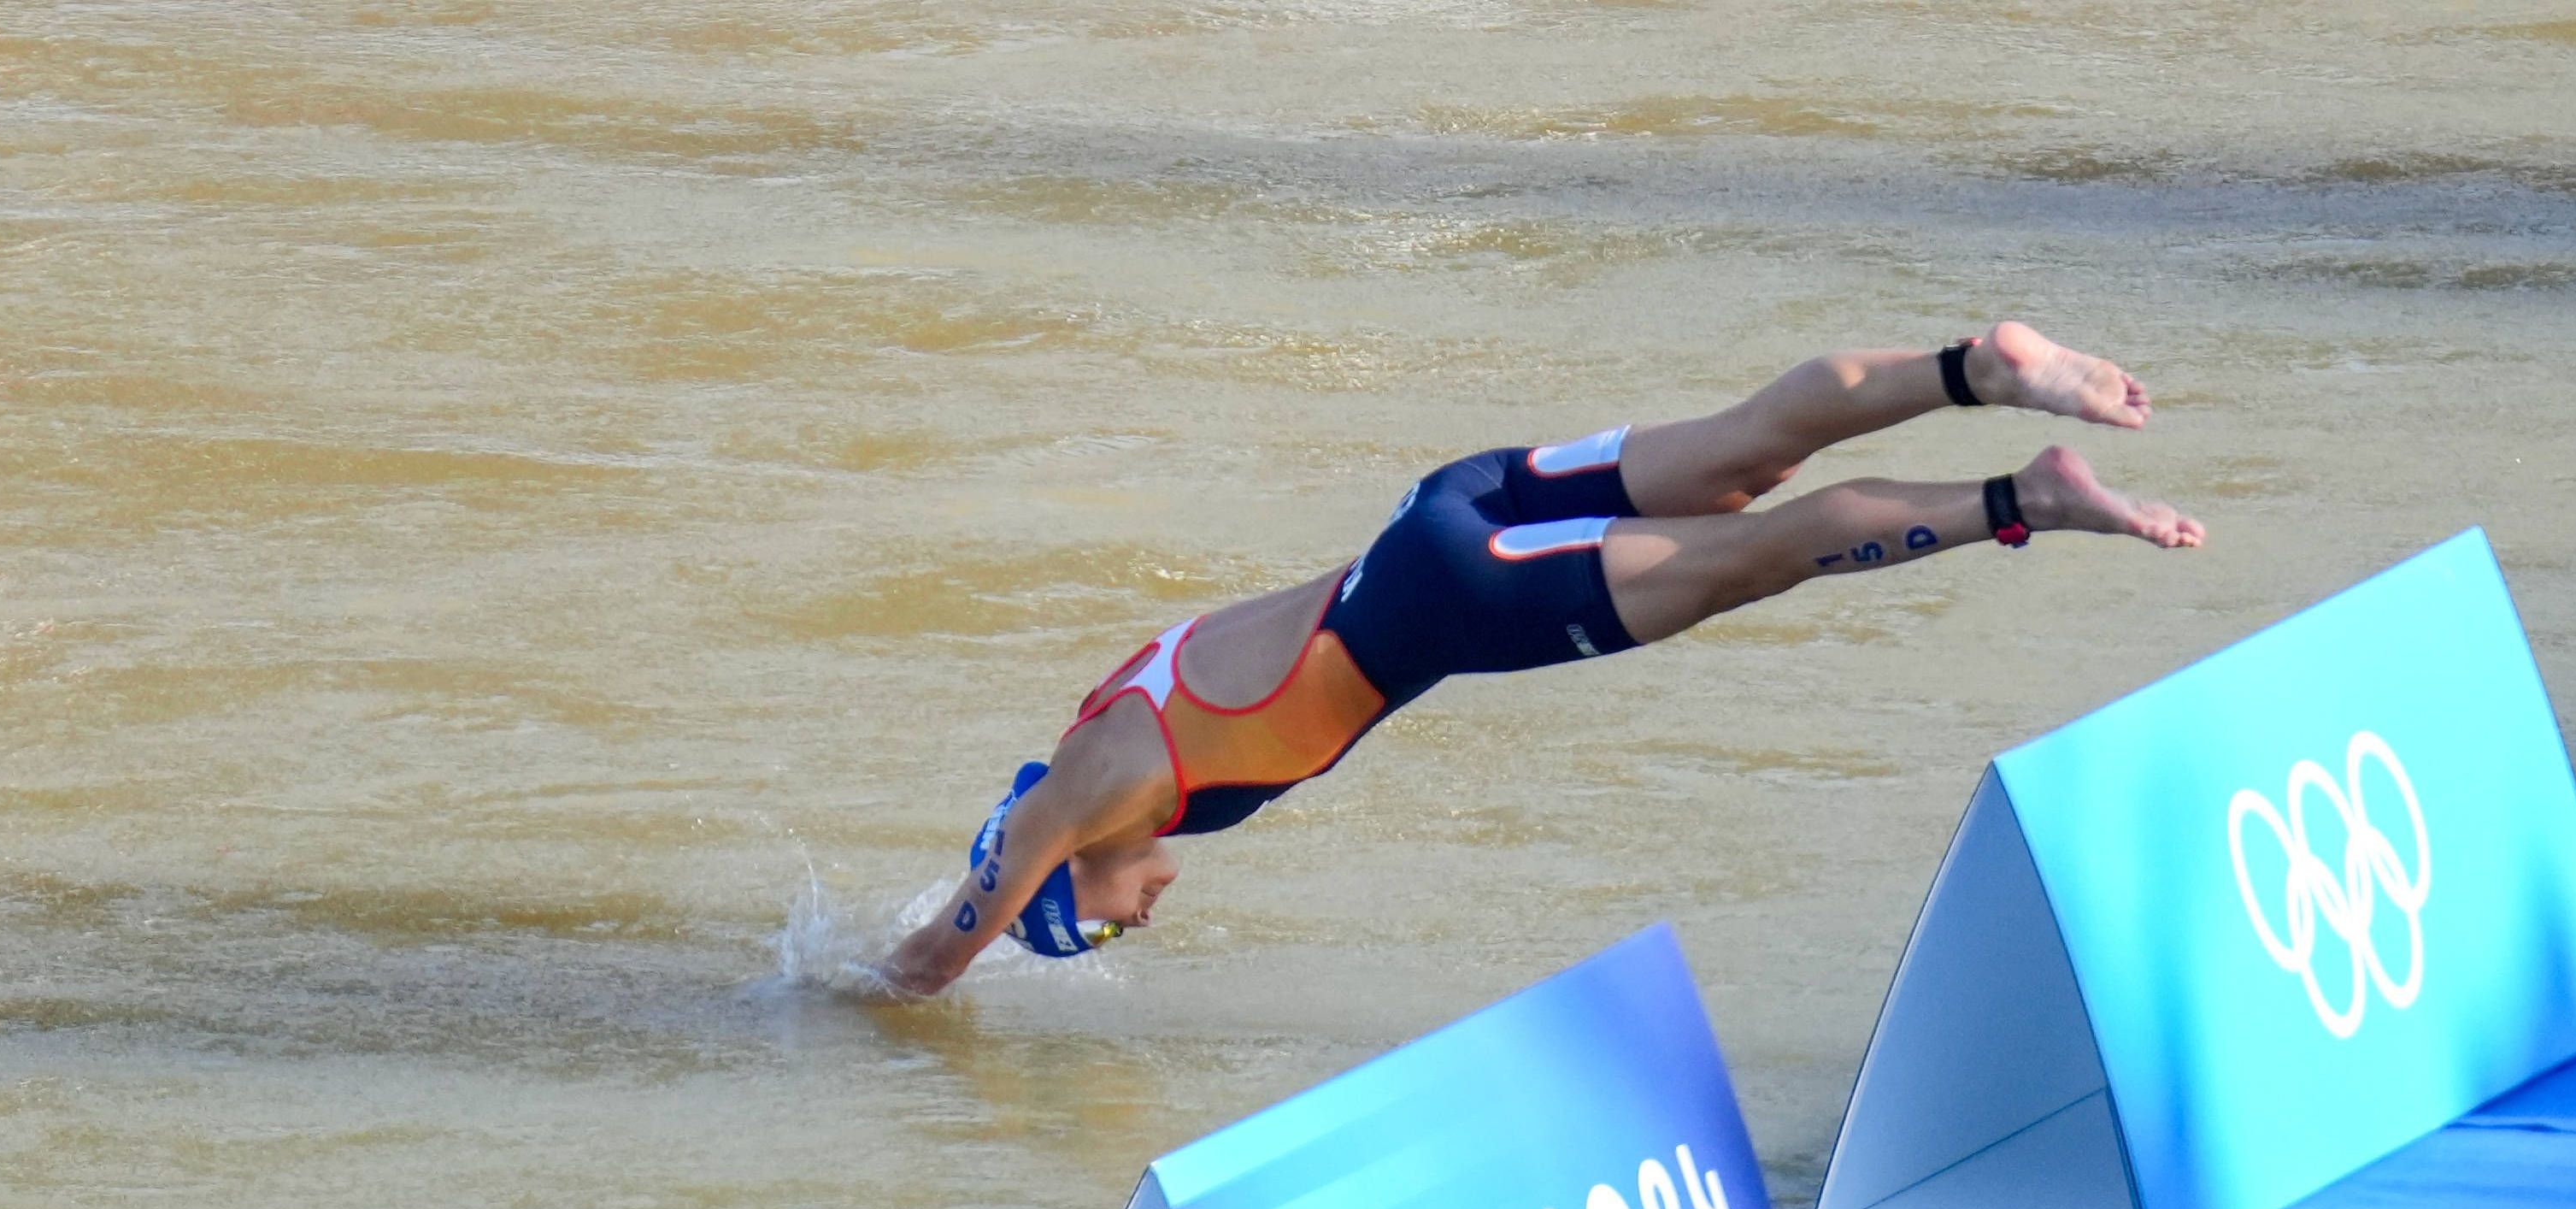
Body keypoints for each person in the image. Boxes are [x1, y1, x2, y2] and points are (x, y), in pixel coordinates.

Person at [877, 321, 2205, 995]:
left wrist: (845, 994)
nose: (1134, 918)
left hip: (1448, 601)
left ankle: (2026, 494)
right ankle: (1978, 363)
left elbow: (953, 937)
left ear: (1066, 878)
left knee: (1772, 547)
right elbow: (1022, 837)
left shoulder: (1098, 787)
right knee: (1747, 446)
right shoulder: (1113, 709)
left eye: (1096, 921)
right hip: (1437, 514)